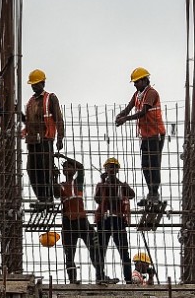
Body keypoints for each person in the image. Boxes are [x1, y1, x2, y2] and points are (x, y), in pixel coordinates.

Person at [52, 154, 107, 284]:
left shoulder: (78, 183)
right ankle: (72, 279)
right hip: (68, 222)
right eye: (65, 168)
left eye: (69, 167)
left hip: (82, 220)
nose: (67, 169)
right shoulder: (61, 186)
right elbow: (55, 194)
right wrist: (54, 177)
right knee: (69, 253)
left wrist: (62, 156)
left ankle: (101, 276)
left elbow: (81, 167)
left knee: (95, 247)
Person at [115, 67, 166, 206]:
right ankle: (151, 193)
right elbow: (129, 107)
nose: (135, 84)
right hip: (146, 135)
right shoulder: (137, 94)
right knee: (145, 165)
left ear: (144, 80)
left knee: (154, 165)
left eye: (137, 82)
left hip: (156, 134)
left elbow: (143, 112)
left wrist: (125, 119)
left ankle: (154, 195)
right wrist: (121, 114)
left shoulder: (151, 93)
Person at [22, 69, 65, 208]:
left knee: (45, 169)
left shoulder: (50, 98)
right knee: (32, 170)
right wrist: (19, 114)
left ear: (43, 83)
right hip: (33, 141)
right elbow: (28, 122)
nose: (34, 86)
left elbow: (58, 118)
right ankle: (42, 199)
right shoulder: (31, 102)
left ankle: (48, 198)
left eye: (36, 84)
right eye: (32, 84)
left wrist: (60, 138)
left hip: (46, 140)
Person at [94, 157, 136, 283]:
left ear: (117, 170)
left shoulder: (121, 185)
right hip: (104, 220)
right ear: (106, 169)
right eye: (109, 167)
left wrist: (122, 185)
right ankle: (100, 277)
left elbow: (131, 195)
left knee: (124, 251)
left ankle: (128, 279)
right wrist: (104, 182)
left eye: (114, 167)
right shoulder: (102, 185)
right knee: (100, 250)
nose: (111, 169)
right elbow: (98, 199)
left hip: (118, 220)